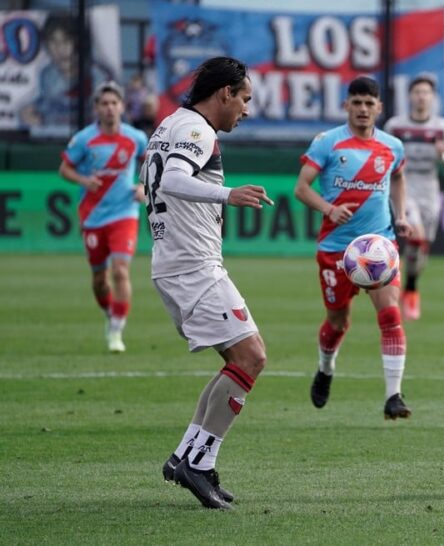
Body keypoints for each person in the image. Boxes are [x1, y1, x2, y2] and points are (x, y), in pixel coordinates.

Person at [147, 56, 273, 510]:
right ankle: (197, 464)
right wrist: (227, 194)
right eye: (244, 98)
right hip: (192, 268)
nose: (246, 108)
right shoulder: (199, 131)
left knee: (237, 360)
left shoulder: (169, 125)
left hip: (178, 264)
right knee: (251, 356)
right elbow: (175, 180)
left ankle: (185, 456)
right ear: (225, 93)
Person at [294, 76, 413, 419]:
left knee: (390, 313)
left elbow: (399, 177)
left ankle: (394, 396)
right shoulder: (327, 143)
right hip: (336, 249)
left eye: (369, 103)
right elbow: (302, 187)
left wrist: (401, 215)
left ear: (379, 107)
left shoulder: (392, 146)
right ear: (346, 105)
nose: (363, 109)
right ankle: (326, 368)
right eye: (356, 102)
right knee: (337, 321)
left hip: (379, 245)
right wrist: (329, 209)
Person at [58, 81, 149, 353]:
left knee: (121, 270)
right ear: (96, 109)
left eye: (114, 103)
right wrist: (85, 181)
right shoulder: (84, 139)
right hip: (93, 215)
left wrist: (144, 186)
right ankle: (110, 313)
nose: (109, 108)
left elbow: (150, 164)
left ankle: (117, 331)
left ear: (122, 106)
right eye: (104, 104)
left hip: (125, 212)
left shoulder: (136, 138)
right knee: (100, 278)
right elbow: (64, 169)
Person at [383, 74, 444, 320]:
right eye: (417, 92)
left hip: (429, 187)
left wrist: (443, 155)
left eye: (426, 93)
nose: (421, 97)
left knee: (422, 244)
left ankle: (412, 287)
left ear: (433, 98)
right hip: (403, 184)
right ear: (409, 96)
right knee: (415, 233)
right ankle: (397, 282)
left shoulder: (441, 127)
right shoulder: (395, 126)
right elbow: (383, 156)